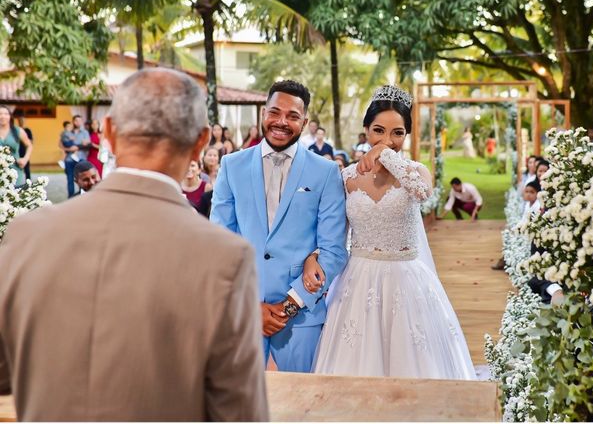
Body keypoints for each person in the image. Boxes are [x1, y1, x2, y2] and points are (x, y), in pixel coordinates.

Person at [0, 68, 268, 421]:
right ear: (201, 142)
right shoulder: (225, 258)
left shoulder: (26, 234)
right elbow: (238, 413)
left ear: (108, 132)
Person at [310, 85, 475, 379]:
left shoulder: (417, 171)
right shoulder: (346, 177)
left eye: (397, 133)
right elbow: (333, 235)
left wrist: (383, 153)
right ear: (365, 130)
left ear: (407, 135)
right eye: (378, 131)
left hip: (407, 280)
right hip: (357, 282)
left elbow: (422, 192)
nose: (388, 139)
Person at [211, 79, 348, 373]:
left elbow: (333, 250)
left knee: (305, 409)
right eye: (275, 112)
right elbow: (220, 243)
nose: (281, 122)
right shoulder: (231, 165)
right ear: (263, 113)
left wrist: (288, 306)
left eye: (293, 116)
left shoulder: (325, 173)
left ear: (305, 122)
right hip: (242, 310)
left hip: (302, 316)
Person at [0, 105, 32, 187]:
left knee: (15, 197)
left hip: (15, 172)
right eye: (0, 114)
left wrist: (25, 159)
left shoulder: (17, 131)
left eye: (6, 114)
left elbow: (29, 145)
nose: (3, 116)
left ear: (10, 116)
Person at [60, 115, 90, 198]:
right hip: (69, 159)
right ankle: (70, 198)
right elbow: (61, 145)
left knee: (82, 179)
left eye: (80, 121)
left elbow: (88, 145)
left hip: (81, 159)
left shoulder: (85, 132)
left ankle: (82, 197)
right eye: (76, 121)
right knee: (70, 180)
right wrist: (69, 149)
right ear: (73, 122)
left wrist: (77, 147)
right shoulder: (68, 132)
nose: (78, 122)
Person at [16, 116, 33, 181]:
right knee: (16, 169)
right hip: (17, 152)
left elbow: (30, 142)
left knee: (27, 169)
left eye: (23, 120)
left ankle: (28, 184)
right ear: (18, 121)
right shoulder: (16, 131)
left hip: (24, 152)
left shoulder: (27, 131)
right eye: (20, 120)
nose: (22, 121)